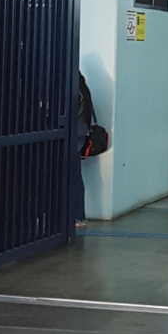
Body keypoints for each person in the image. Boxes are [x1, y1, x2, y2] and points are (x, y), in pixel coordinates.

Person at [75, 72, 94, 228]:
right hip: (80, 133)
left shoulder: (73, 88)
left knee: (73, 175)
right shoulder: (83, 87)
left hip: (73, 133)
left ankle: (78, 216)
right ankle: (79, 216)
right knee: (75, 175)